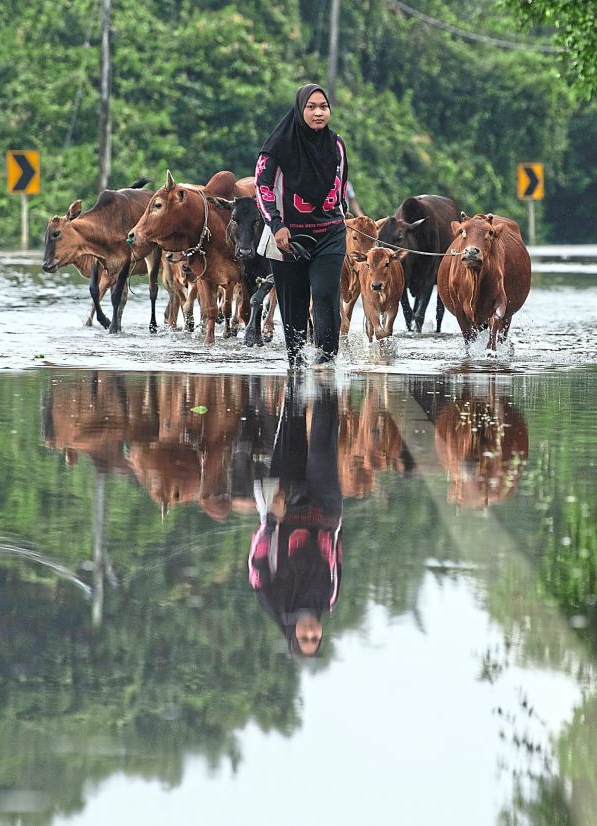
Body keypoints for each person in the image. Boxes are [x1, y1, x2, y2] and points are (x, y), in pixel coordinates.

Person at [255, 83, 350, 368]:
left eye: (324, 107)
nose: (319, 113)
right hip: (287, 237)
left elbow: (341, 188)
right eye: (311, 107)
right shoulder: (276, 147)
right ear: (300, 110)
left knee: (324, 293)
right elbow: (262, 187)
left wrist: (340, 214)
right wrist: (276, 224)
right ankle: (296, 365)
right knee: (293, 307)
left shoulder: (336, 145)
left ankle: (326, 362)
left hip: (329, 233)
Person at [247, 378, 343, 657]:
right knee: (324, 441)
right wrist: (335, 520)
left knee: (292, 424)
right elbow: (336, 554)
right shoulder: (329, 599)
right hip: (325, 510)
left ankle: (297, 376)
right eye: (315, 638)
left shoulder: (271, 600)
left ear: (294, 636)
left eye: (306, 639)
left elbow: (258, 559)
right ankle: (327, 379)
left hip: (283, 510)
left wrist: (271, 520)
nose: (311, 633)